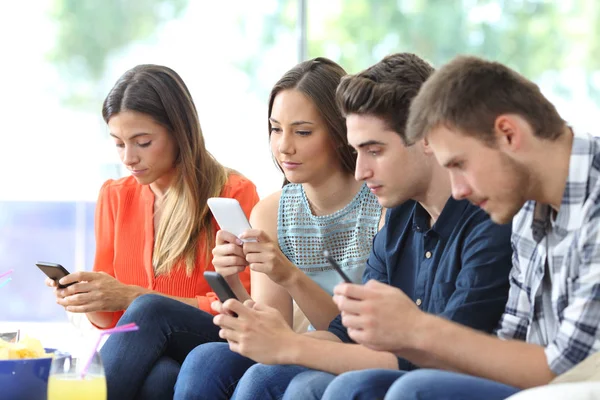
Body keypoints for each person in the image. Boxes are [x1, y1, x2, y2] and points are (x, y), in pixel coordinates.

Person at [175, 53, 514, 400]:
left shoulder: (487, 220)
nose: (360, 171)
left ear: (427, 138)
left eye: (374, 151)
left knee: (308, 385)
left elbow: (445, 357)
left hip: (446, 378)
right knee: (227, 366)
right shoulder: (399, 221)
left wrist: (291, 346)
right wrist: (270, 333)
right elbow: (348, 332)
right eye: (358, 151)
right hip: (395, 368)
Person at [332, 55, 600, 400]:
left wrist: (416, 328)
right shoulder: (525, 211)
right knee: (363, 387)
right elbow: (510, 342)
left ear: (508, 134)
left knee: (415, 390)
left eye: (460, 164)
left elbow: (563, 369)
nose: (457, 190)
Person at [173, 57, 384, 399]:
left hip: (348, 349)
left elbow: (347, 334)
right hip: (295, 344)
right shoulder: (271, 211)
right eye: (275, 129)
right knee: (204, 360)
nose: (284, 146)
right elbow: (274, 329)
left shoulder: (380, 205)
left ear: (340, 131)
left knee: (263, 378)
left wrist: (288, 274)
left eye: (302, 132)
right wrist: (231, 283)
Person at [46, 64, 259, 400]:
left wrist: (132, 295)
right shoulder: (115, 196)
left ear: (179, 132)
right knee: (161, 377)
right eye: (118, 144)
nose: (129, 158)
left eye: (142, 142)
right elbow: (114, 322)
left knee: (150, 308)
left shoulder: (232, 192)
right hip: (152, 353)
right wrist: (87, 299)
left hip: (217, 338)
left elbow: (244, 304)